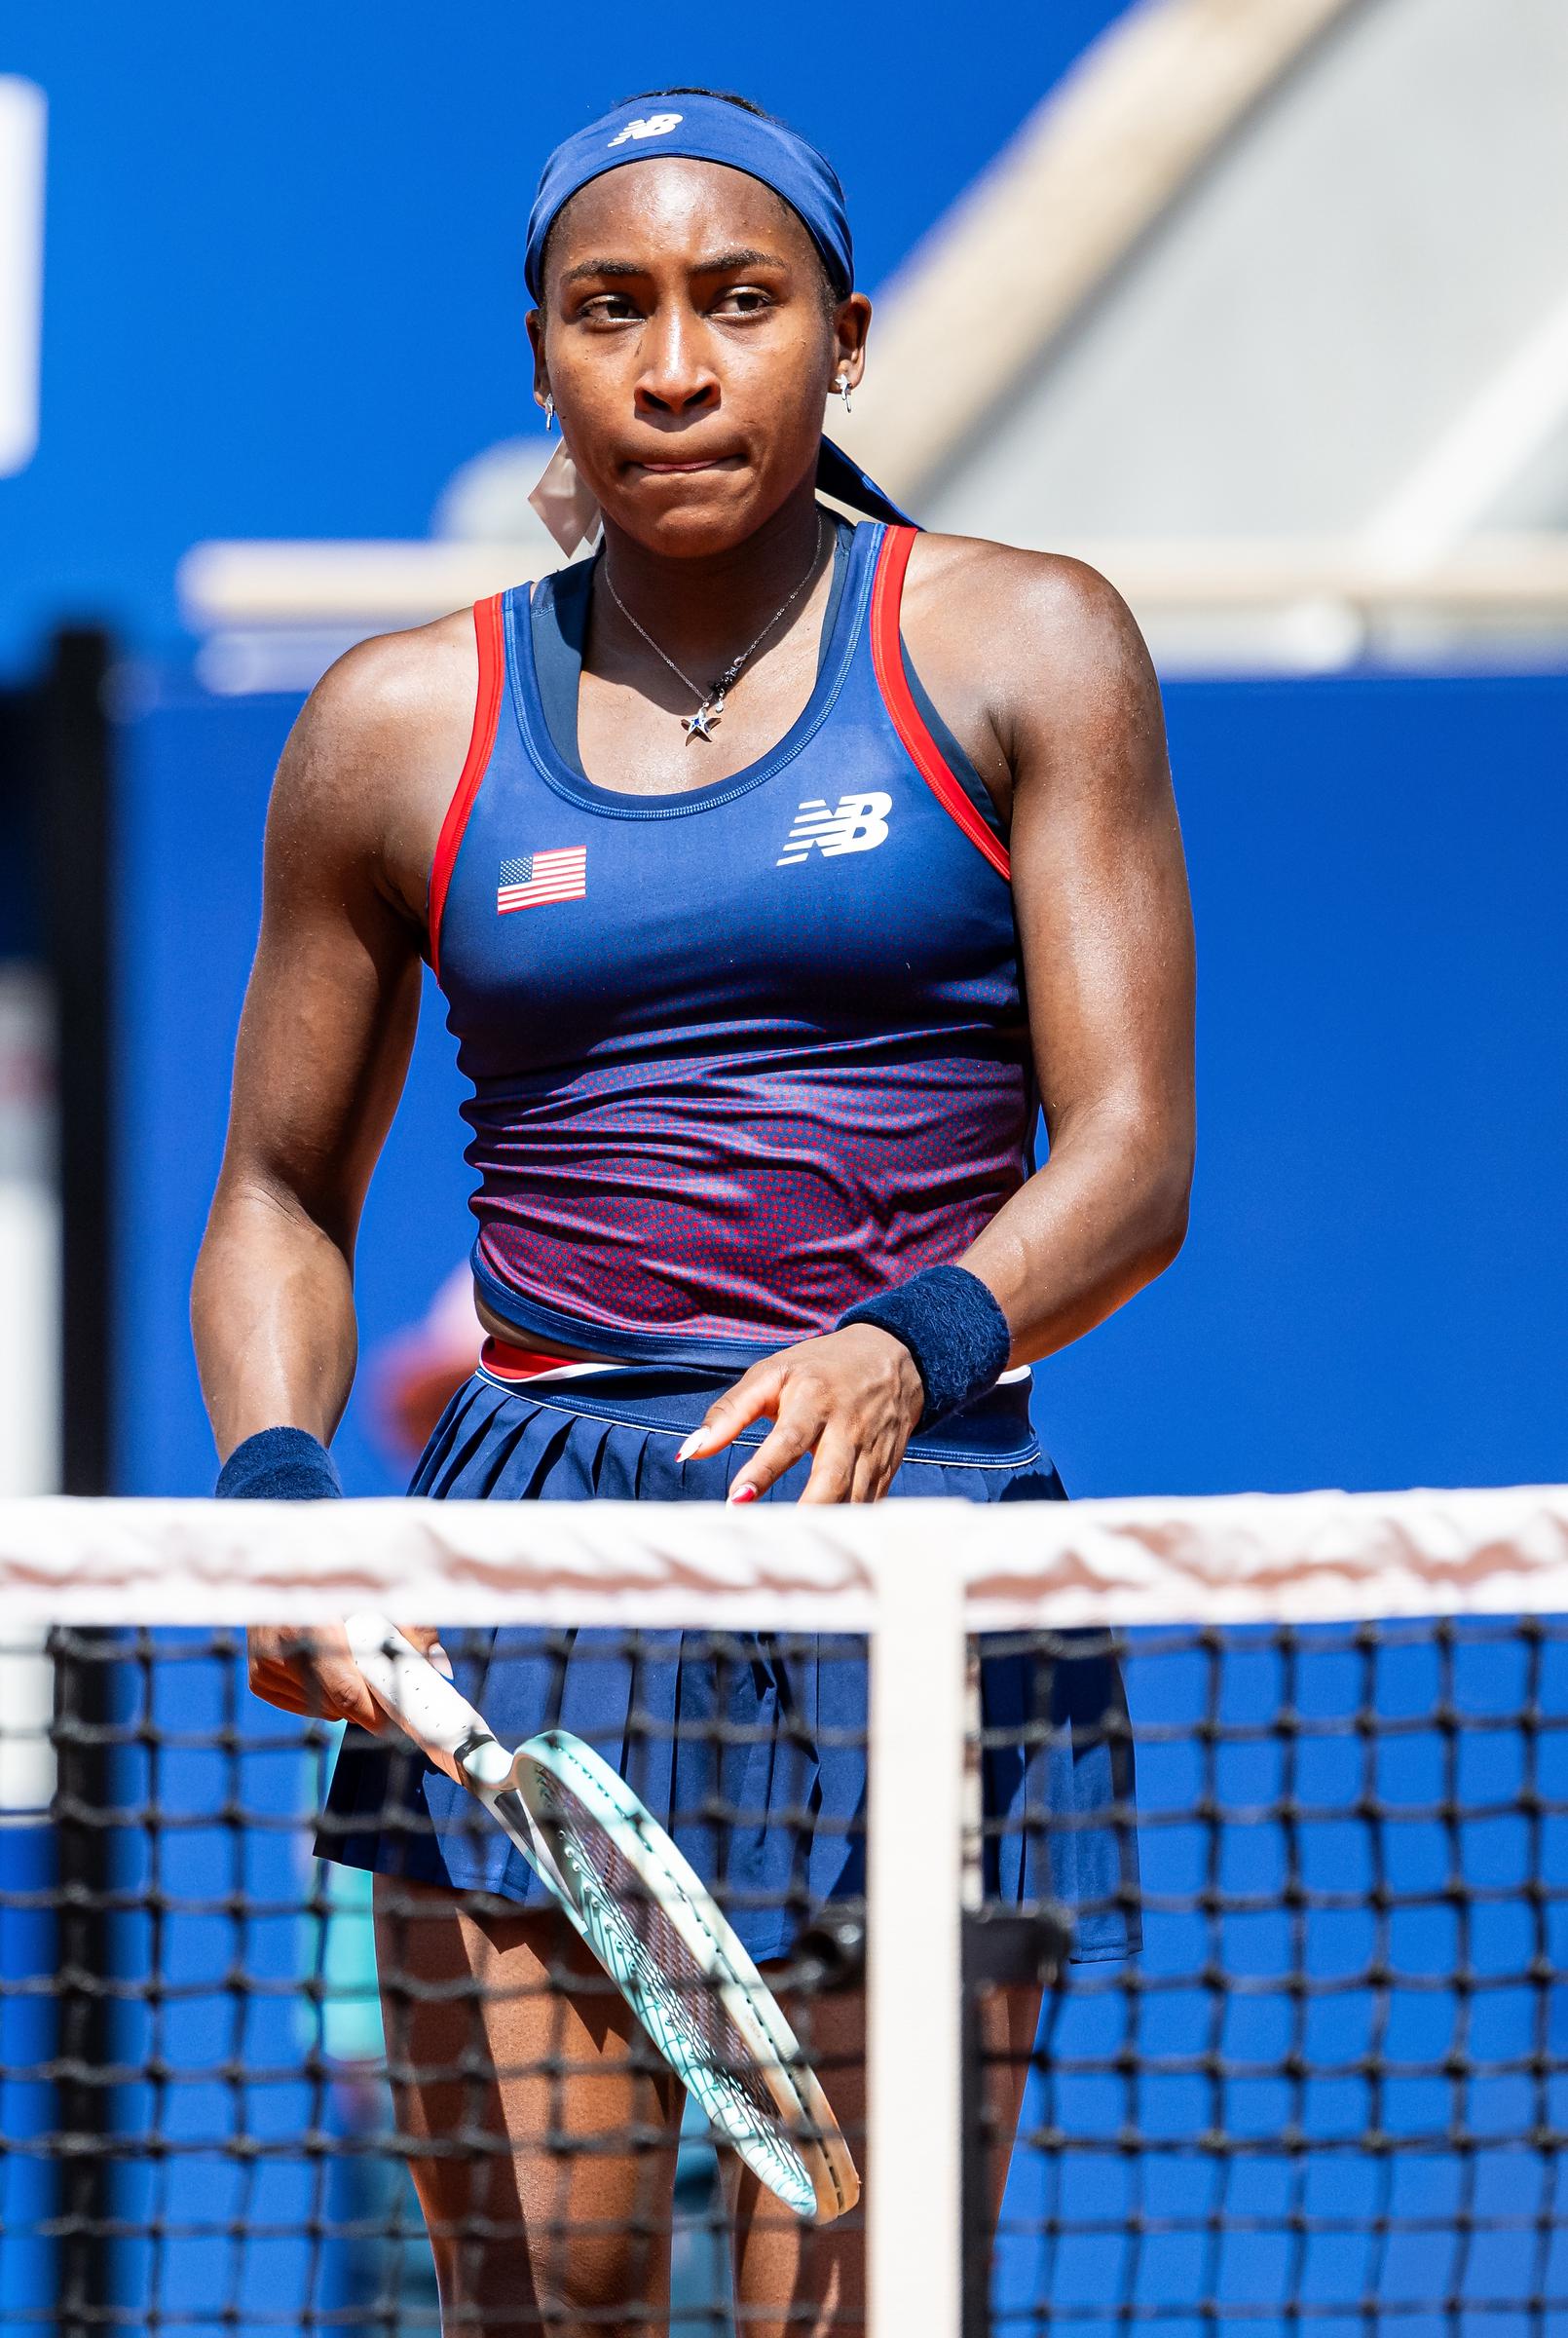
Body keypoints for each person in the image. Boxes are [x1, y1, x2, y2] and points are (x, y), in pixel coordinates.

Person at [193, 87, 1195, 2338]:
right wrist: (281, 1506)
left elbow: (1129, 1157)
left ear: (843, 338)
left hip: (921, 1533)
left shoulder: (1029, 646)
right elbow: (273, 1195)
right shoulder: (389, 723)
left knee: (855, 2317)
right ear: (541, 352)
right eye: (609, 311)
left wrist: (902, 1343)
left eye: (737, 306)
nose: (673, 367)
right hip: (530, 1558)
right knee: (547, 2306)